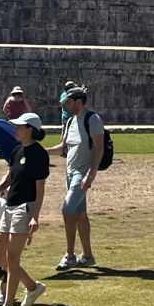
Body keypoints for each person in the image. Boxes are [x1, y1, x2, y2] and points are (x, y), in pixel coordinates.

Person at [0, 112, 49, 306]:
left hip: (23, 208)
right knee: (0, 259)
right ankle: (32, 286)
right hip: (9, 206)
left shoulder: (39, 154)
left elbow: (40, 188)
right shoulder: (16, 150)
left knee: (12, 259)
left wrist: (34, 217)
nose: (15, 129)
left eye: (19, 126)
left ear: (30, 129)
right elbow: (9, 177)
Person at [58, 85, 104, 269]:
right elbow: (63, 148)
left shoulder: (92, 119)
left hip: (81, 174)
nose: (66, 105)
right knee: (81, 215)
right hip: (70, 173)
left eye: (68, 101)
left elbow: (99, 148)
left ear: (78, 101)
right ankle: (87, 256)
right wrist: (38, 151)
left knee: (68, 210)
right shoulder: (70, 121)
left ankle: (70, 255)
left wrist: (91, 174)